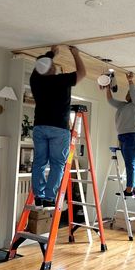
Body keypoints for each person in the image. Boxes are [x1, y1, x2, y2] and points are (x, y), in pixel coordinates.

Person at [30, 45, 86, 209]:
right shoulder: (61, 79)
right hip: (58, 129)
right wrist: (75, 54)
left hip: (40, 126)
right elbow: (82, 73)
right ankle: (49, 198)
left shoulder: (35, 80)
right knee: (57, 164)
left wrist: (51, 54)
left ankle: (39, 197)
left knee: (39, 163)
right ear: (49, 67)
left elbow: (41, 65)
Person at [106, 72, 135, 197]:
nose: (127, 94)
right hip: (124, 137)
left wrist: (130, 81)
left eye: (129, 94)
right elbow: (110, 100)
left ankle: (129, 190)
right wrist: (107, 86)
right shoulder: (123, 105)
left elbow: (133, 92)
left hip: (132, 137)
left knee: (130, 164)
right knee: (131, 163)